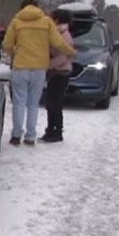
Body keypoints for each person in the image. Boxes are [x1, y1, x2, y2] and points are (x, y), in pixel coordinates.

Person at [2, 0, 76, 146]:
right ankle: (30, 136)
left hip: (21, 66)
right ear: (37, 7)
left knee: (19, 102)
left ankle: (16, 135)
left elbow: (7, 44)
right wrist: (71, 52)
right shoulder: (46, 22)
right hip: (39, 68)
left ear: (22, 8)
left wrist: (14, 55)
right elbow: (58, 43)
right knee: (33, 104)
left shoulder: (16, 21)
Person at [41, 9, 75, 143]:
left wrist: (47, 65)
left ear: (57, 20)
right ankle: (51, 130)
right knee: (52, 103)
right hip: (58, 72)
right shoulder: (59, 33)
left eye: (52, 17)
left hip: (60, 72)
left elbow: (62, 57)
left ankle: (56, 131)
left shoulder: (63, 35)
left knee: (55, 103)